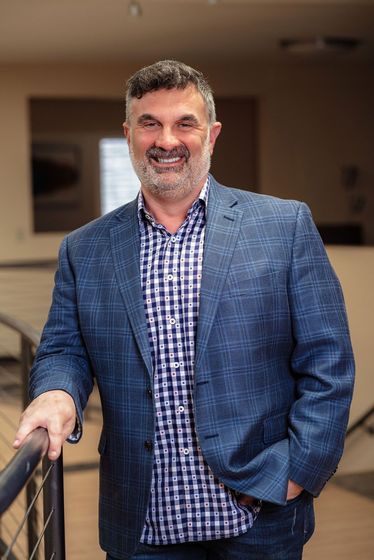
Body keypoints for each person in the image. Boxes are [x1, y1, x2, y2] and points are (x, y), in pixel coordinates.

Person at [14, 60, 355, 560]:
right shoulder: (84, 250)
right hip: (143, 520)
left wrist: (299, 472)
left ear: (212, 135)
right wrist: (56, 394)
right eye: (149, 123)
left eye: (185, 123)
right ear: (129, 135)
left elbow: (328, 360)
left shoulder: (284, 226)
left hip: (257, 515)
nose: (166, 139)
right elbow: (64, 348)